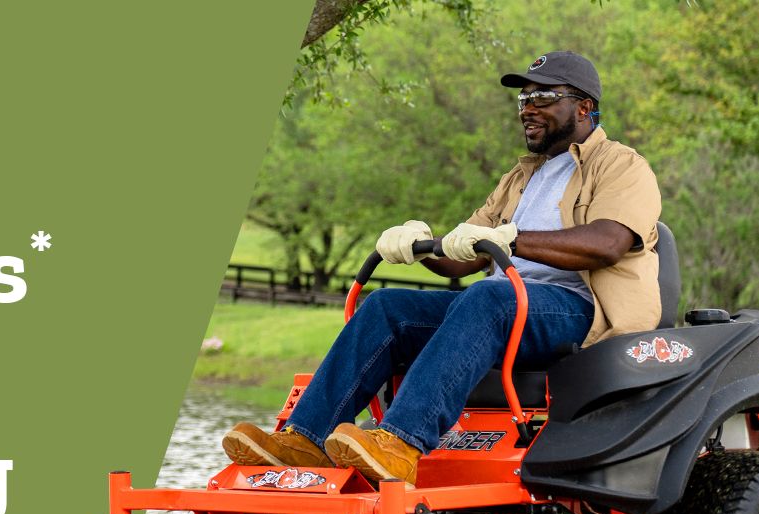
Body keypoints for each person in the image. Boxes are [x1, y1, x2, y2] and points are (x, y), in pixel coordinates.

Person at [223, 51, 663, 486]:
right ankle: (306, 439)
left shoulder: (622, 165)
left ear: (584, 106)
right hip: (510, 303)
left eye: (543, 97)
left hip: (580, 309)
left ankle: (400, 443)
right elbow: (461, 256)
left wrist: (511, 239)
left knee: (488, 296)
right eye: (523, 100)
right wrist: (417, 244)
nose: (528, 109)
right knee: (386, 307)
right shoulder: (521, 177)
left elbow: (608, 243)